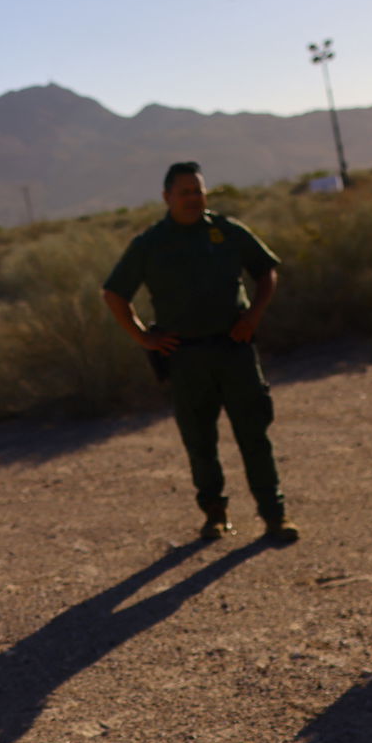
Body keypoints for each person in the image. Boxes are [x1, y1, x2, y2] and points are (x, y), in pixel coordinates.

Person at [102, 161, 298, 542]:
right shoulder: (150, 244)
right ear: (167, 197)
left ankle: (275, 516)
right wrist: (143, 337)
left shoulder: (226, 231)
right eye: (184, 192)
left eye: (198, 191)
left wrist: (254, 315)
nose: (193, 198)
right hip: (186, 357)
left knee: (254, 435)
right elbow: (114, 294)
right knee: (200, 442)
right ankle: (214, 515)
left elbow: (266, 271)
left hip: (235, 349)